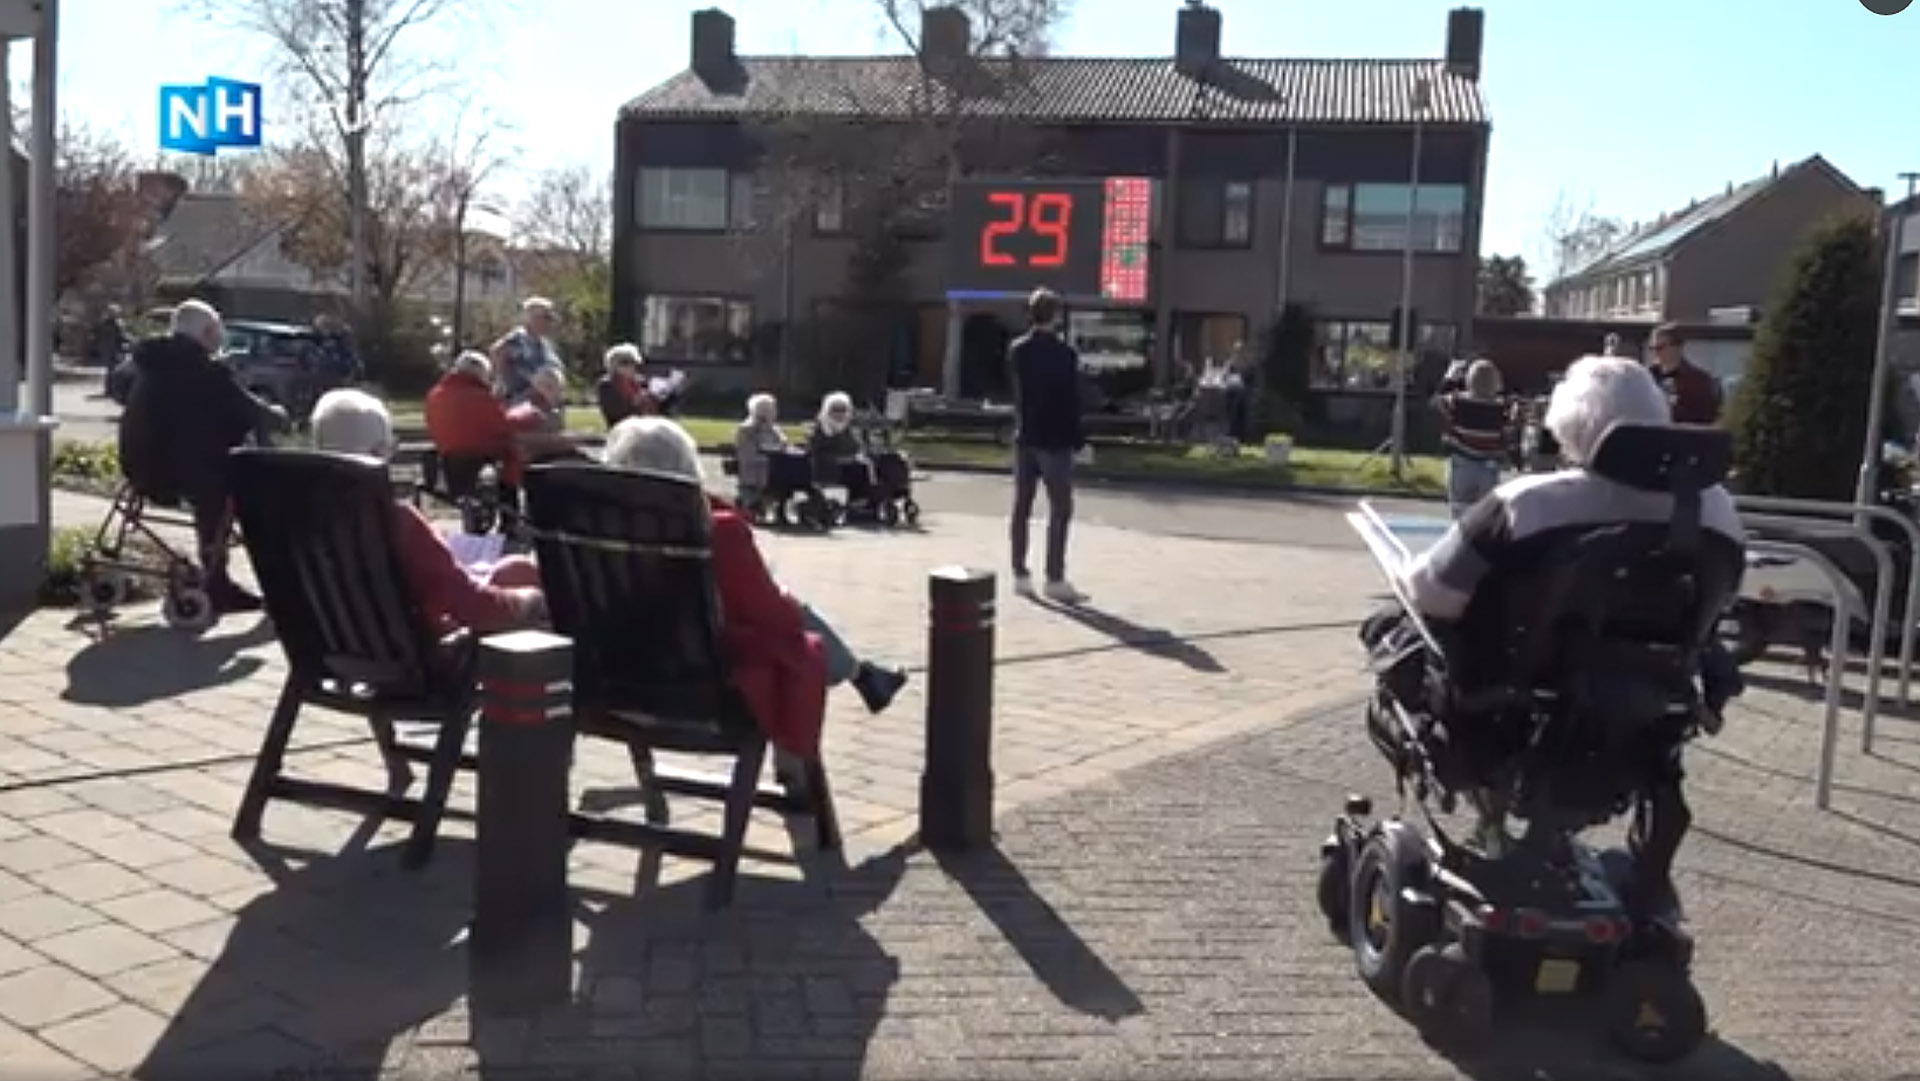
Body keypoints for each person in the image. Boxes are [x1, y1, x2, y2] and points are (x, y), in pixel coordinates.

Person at [1397, 355, 1745, 924]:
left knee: (1397, 634)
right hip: (1642, 717)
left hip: (1511, 713)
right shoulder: (1719, 513)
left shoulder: (1528, 503)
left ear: (1569, 430)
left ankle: (1486, 819)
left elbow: (1430, 596)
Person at [601, 417, 908, 757]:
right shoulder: (716, 530)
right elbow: (772, 614)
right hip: (698, 684)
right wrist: (786, 603)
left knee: (783, 621)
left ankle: (865, 677)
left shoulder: (596, 525)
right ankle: (841, 707)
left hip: (609, 673)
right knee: (796, 637)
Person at [309, 388, 544, 636]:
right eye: (390, 448)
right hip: (424, 654)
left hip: (340, 641)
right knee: (526, 586)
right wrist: (529, 600)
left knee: (514, 568)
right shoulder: (394, 521)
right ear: (377, 454)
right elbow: (472, 606)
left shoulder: (297, 520)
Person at [117, 299, 288, 615]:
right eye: (218, 328)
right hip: (182, 472)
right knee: (231, 488)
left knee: (212, 473)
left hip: (139, 465)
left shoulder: (152, 363)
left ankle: (215, 572)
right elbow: (250, 410)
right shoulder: (205, 371)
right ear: (209, 332)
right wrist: (279, 415)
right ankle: (218, 582)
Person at [1007, 286, 1087, 603]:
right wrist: (1078, 439)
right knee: (1060, 508)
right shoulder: (1065, 355)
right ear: (1055, 316)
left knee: (1021, 507)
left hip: (1026, 434)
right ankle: (1054, 577)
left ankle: (1020, 574)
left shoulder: (1018, 350)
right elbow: (1070, 401)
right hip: (1055, 440)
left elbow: (1016, 393)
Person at [424, 352, 572, 496]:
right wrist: (529, 415)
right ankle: (510, 497)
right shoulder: (477, 396)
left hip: (448, 453)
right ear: (479, 373)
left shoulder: (435, 394)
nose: (487, 380)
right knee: (514, 451)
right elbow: (504, 425)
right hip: (477, 453)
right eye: (487, 376)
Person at [1432, 359, 1509, 517]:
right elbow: (1506, 435)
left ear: (1468, 381)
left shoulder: (1457, 401)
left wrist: (1450, 378)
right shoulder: (1501, 408)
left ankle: (1461, 536)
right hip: (1488, 466)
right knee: (1485, 513)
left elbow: (1436, 402)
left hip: (1462, 462)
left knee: (1460, 508)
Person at [489, 297, 562, 404]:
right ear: (533, 318)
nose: (549, 323)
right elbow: (496, 351)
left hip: (544, 399)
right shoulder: (518, 339)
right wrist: (501, 380)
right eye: (546, 318)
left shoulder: (544, 343)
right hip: (522, 399)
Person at [807, 392, 874, 505]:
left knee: (863, 465)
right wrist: (838, 458)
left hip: (848, 462)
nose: (839, 413)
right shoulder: (820, 428)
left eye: (843, 410)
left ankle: (861, 499)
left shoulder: (848, 428)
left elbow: (855, 447)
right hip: (825, 465)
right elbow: (816, 451)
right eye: (835, 410)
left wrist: (856, 456)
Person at [1647, 323, 1720, 425]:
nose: (1656, 352)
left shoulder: (1699, 380)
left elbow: (1706, 419)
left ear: (1678, 347)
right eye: (1652, 348)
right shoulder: (1647, 377)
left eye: (1660, 347)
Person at [734, 393, 789, 508]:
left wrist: (780, 448)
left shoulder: (774, 429)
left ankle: (776, 506)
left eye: (772, 410)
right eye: (767, 410)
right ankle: (754, 503)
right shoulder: (746, 429)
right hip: (753, 469)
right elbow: (747, 455)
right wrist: (768, 458)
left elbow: (783, 444)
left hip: (774, 468)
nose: (772, 414)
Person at [597, 343, 655, 427]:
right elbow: (614, 413)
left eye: (633, 363)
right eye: (624, 363)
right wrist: (635, 402)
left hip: (645, 427)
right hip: (621, 429)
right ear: (613, 365)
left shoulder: (641, 383)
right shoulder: (607, 385)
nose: (630, 367)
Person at [94, 305, 129, 393]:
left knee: (111, 370)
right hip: (115, 349)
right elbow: (122, 336)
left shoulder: (105, 323)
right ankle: (113, 389)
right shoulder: (117, 323)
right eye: (114, 312)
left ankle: (110, 389)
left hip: (107, 349)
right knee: (115, 370)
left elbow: (98, 336)